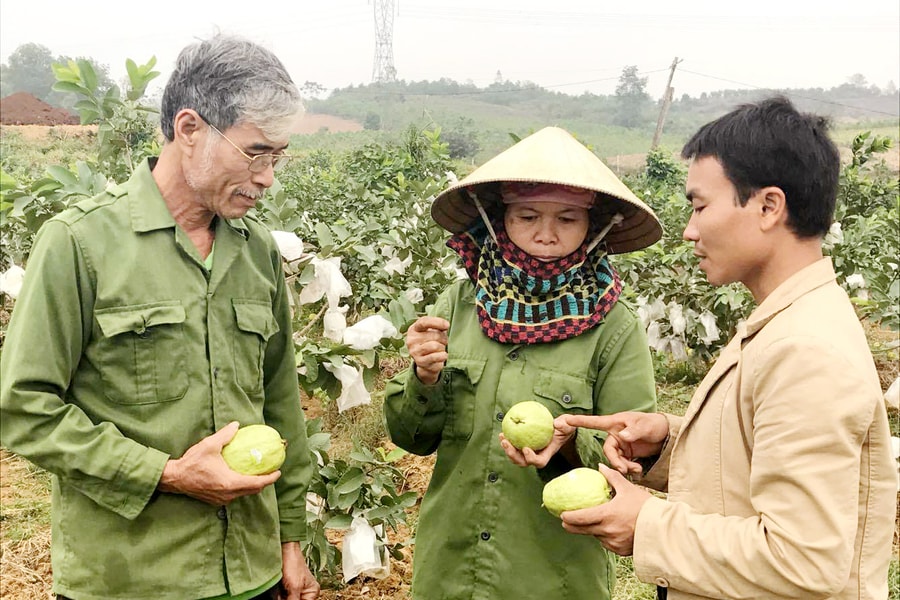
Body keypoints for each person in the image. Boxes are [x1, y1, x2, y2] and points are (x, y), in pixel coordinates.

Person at [513, 97, 896, 599]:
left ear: (768, 206)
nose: (690, 231)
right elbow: (756, 460)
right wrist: (668, 445)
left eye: (699, 206)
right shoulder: (785, 321)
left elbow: (803, 560)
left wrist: (647, 525)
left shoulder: (805, 351)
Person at [0, 35, 321, 600]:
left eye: (278, 156)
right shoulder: (79, 244)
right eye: (255, 153)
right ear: (189, 128)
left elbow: (280, 403)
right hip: (133, 578)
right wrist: (166, 475)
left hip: (251, 573)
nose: (268, 177)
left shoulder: (259, 251)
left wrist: (290, 539)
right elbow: (25, 409)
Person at [383, 126, 663, 600]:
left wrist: (571, 444)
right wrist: (424, 378)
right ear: (500, 218)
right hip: (449, 570)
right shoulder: (459, 304)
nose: (546, 234)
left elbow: (629, 455)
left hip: (552, 576)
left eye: (568, 219)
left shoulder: (614, 327)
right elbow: (412, 438)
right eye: (528, 215)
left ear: (592, 228)